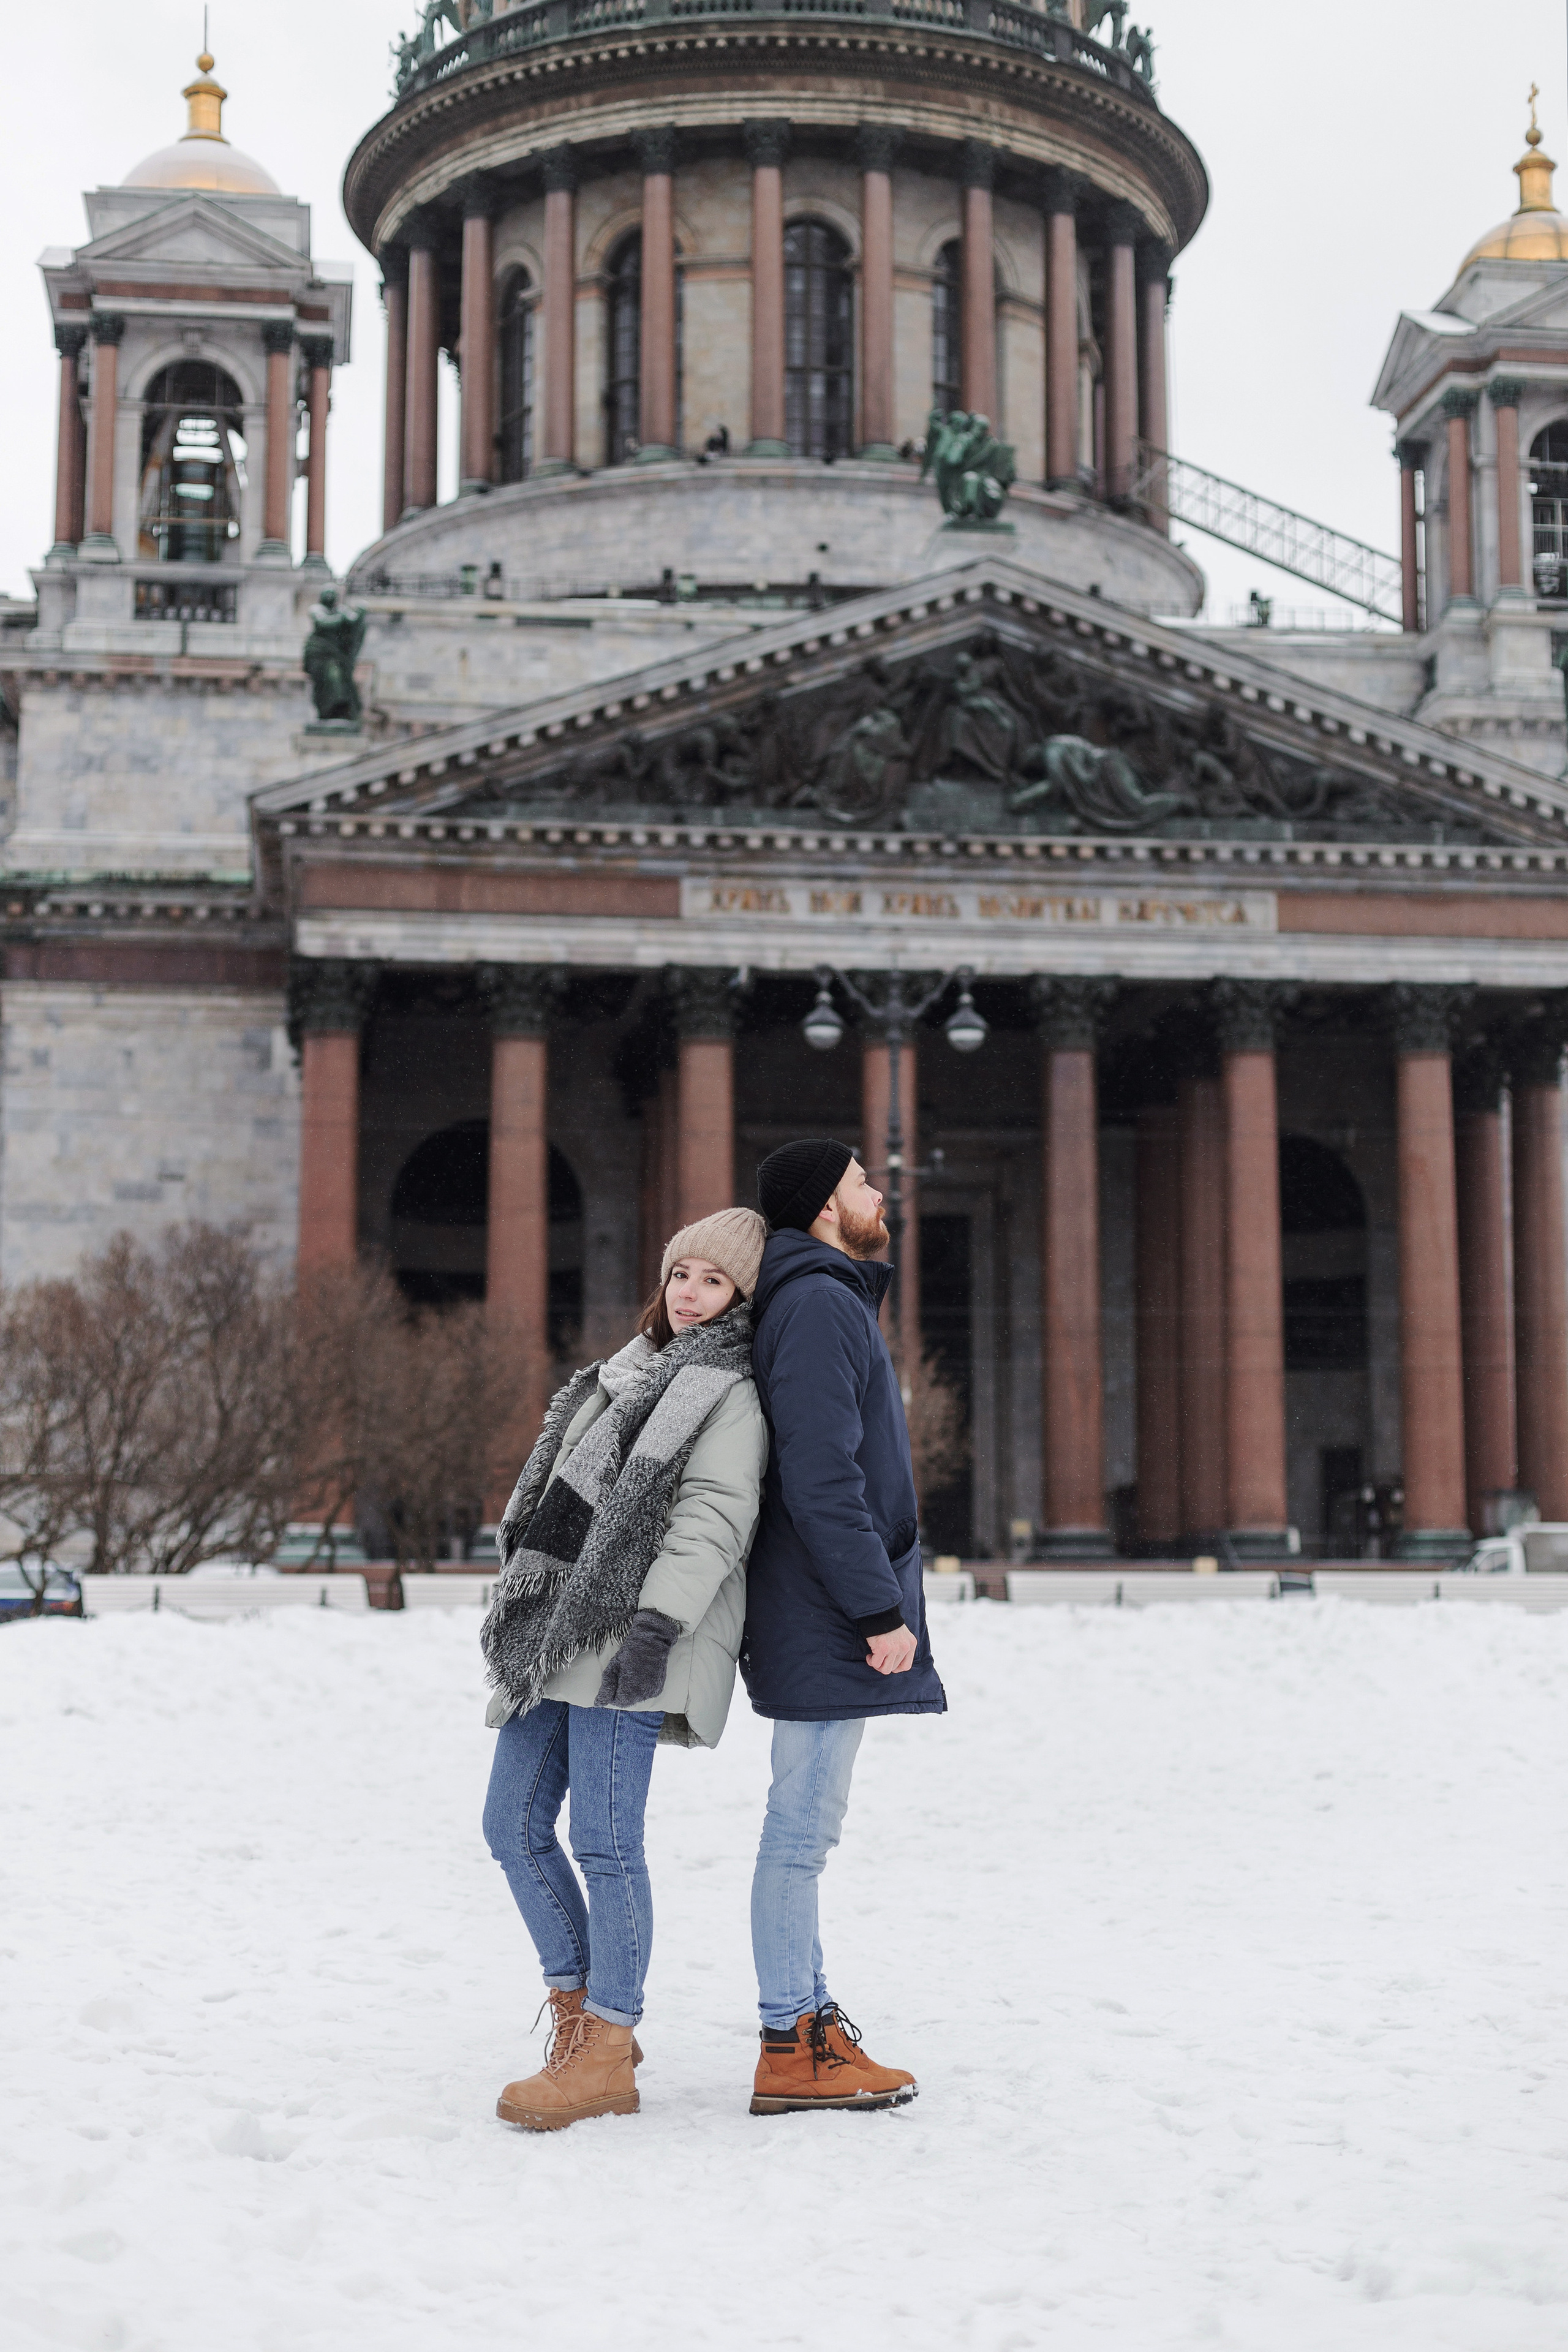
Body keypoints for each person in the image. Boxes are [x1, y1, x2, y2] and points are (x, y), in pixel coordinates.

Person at [480, 1206, 769, 2132]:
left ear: (741, 1298)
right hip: (559, 1630)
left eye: (714, 1282)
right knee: (512, 1824)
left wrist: (656, 1624)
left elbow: (714, 1520)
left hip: (634, 1639)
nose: (691, 1294)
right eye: (682, 1274)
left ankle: (607, 2044)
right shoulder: (621, 1375)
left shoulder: (729, 1393)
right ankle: (579, 2011)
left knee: (607, 1843)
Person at [742, 1138, 945, 2115]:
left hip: (819, 1607)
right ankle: (792, 2042)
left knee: (804, 1828)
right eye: (865, 1179)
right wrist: (877, 1607)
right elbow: (825, 1477)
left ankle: (809, 2023)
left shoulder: (820, 1294)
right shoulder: (822, 1301)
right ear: (828, 1204)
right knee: (799, 1833)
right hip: (830, 1613)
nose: (879, 1192)